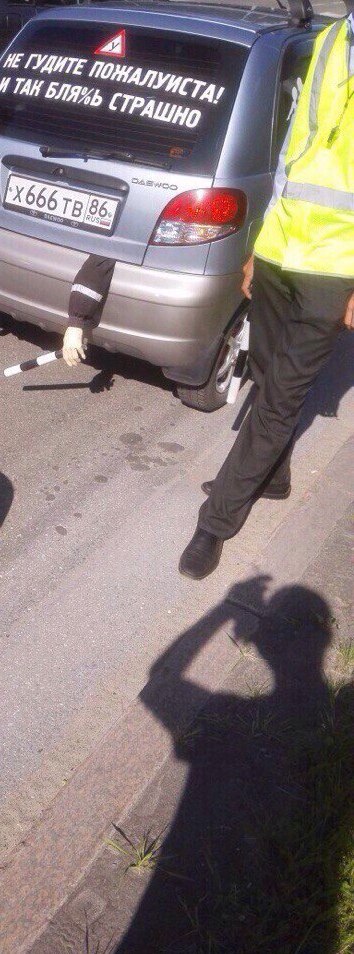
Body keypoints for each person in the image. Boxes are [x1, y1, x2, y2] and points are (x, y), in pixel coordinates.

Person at [178, 8, 354, 580]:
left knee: (280, 398)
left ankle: (215, 521)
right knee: (264, 370)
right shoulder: (332, 39)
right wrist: (258, 243)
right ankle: (269, 477)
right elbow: (290, 152)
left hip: (335, 266)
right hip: (282, 246)